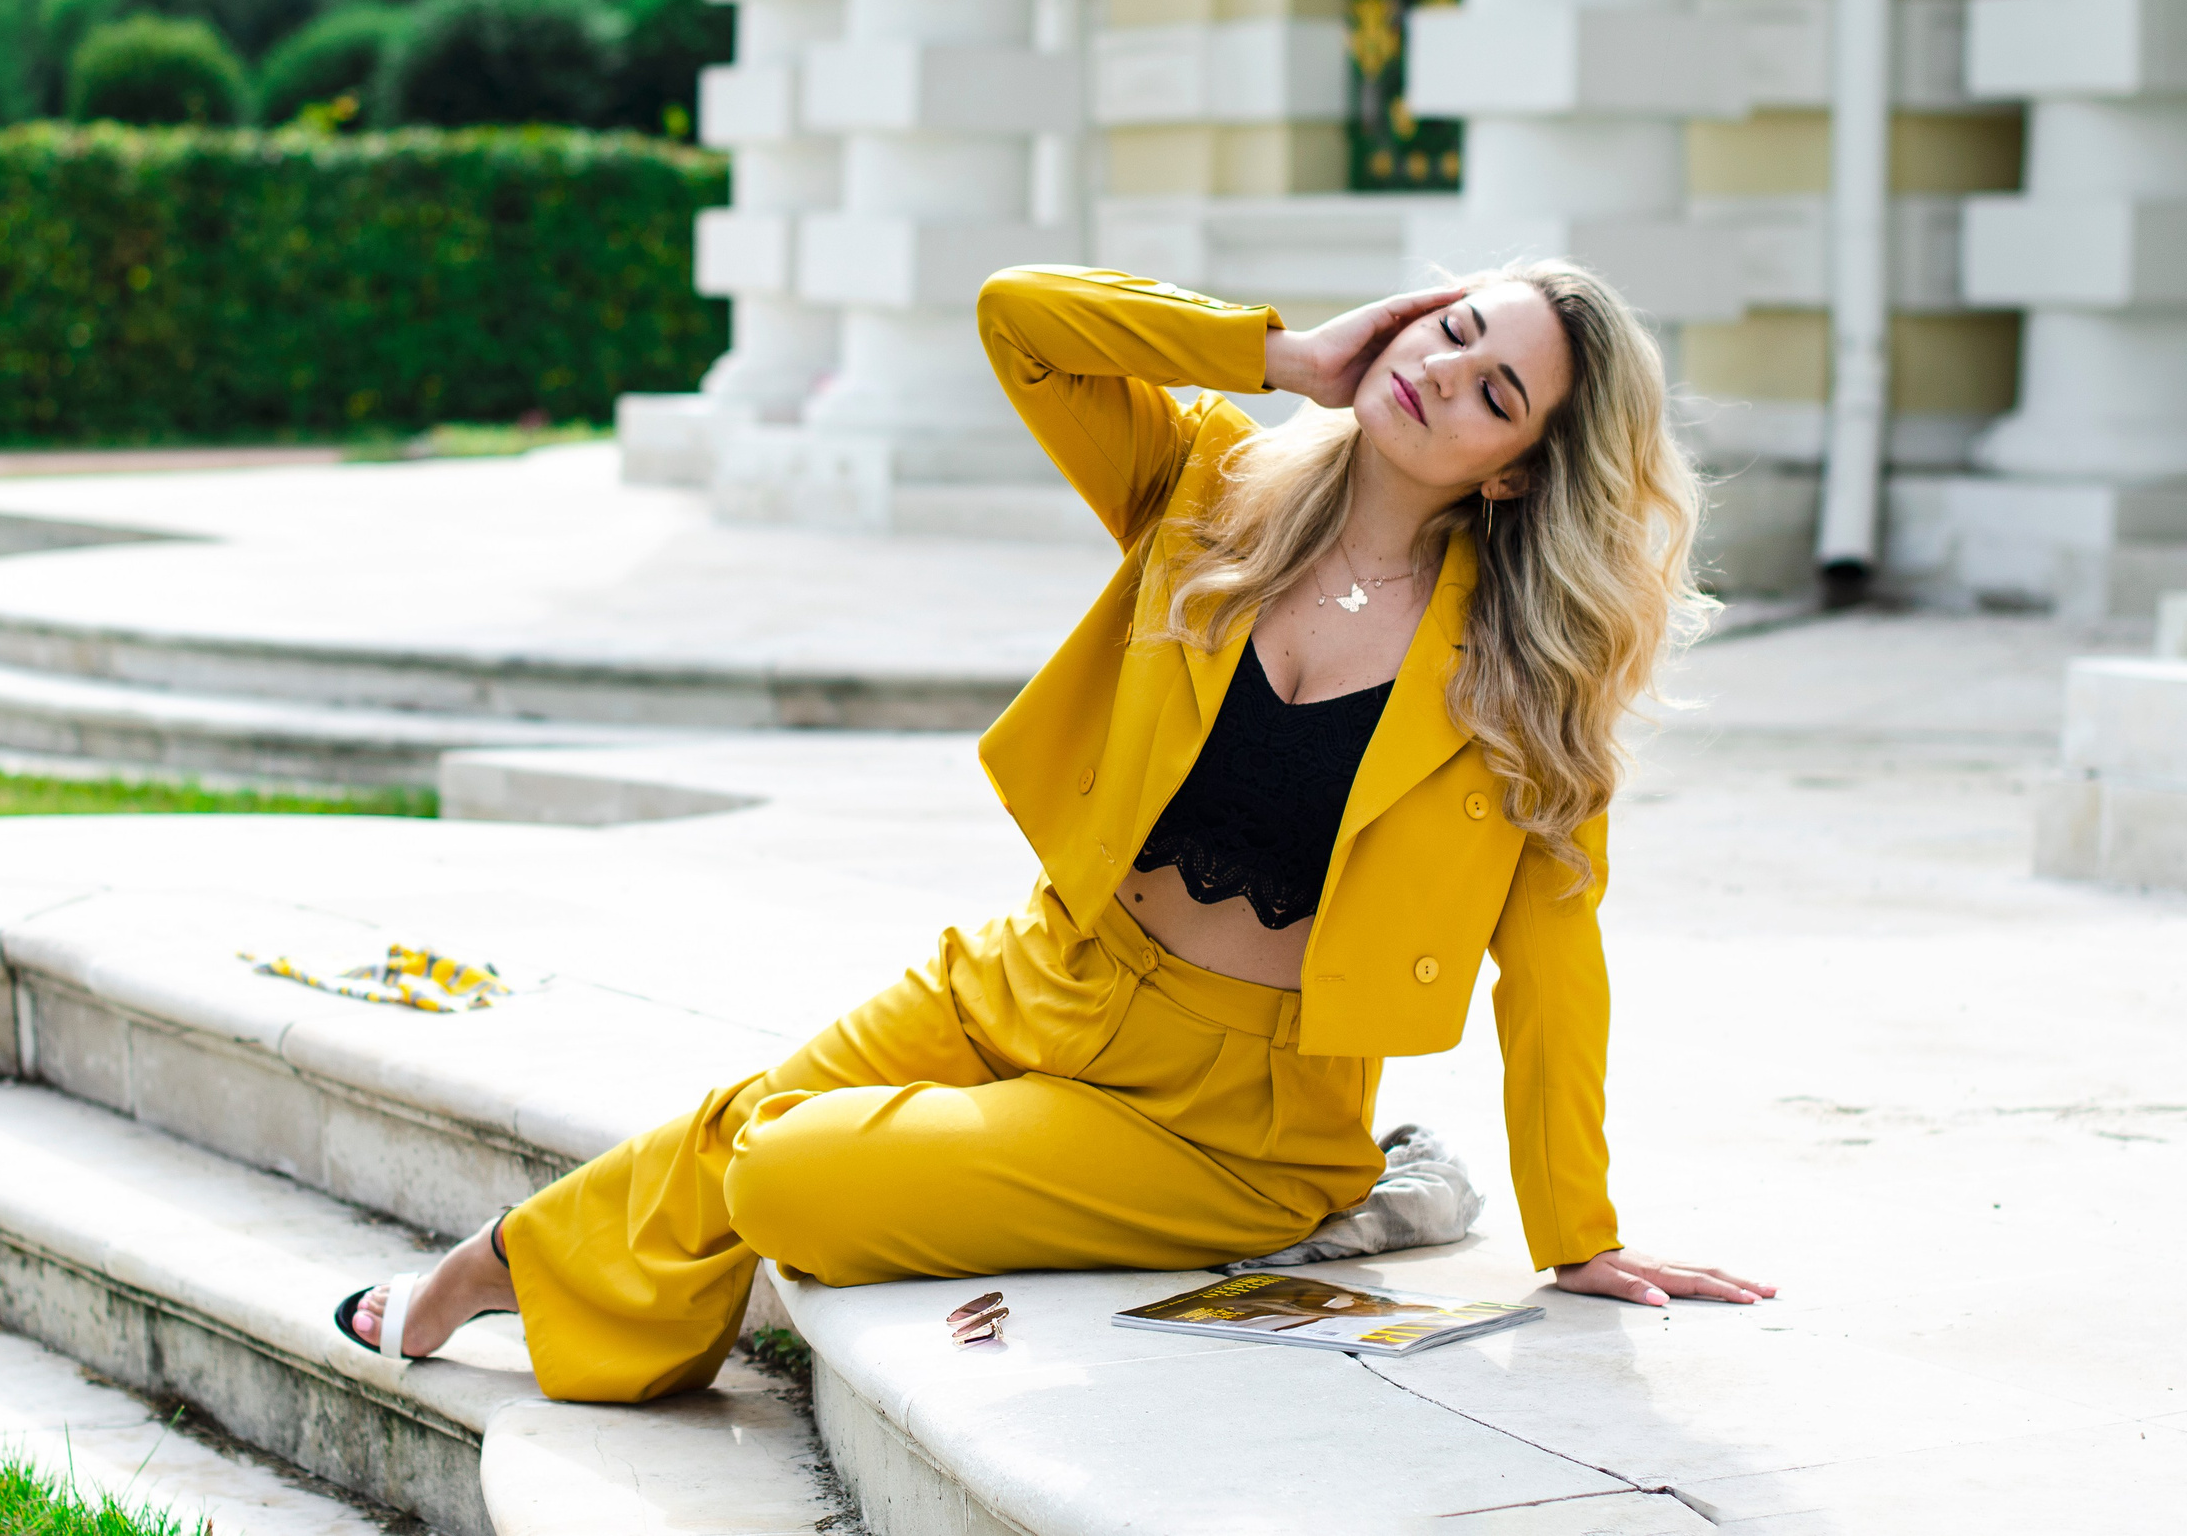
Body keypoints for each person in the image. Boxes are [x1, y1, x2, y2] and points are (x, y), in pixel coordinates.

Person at [334, 263, 1776, 1399]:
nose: (1441, 371)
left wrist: (1578, 1232)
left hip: (1231, 1121)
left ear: (1517, 468)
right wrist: (1278, 354)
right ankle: (500, 1265)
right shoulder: (1210, 489)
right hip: (1037, 971)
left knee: (775, 1163)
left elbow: (1553, 968)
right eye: (1448, 328)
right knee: (756, 1108)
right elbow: (1020, 318)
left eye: (1493, 388)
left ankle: (505, 1273)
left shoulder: (1517, 686)